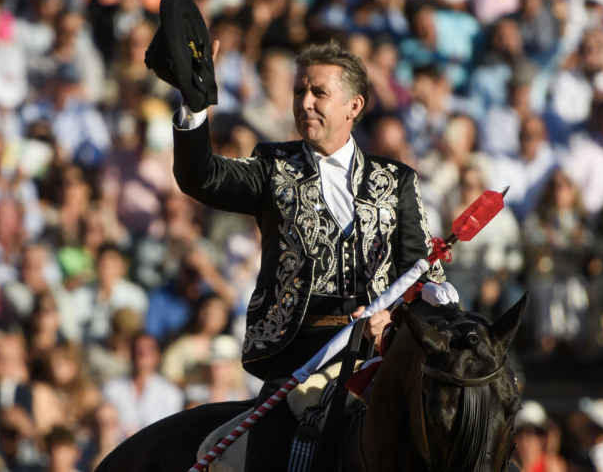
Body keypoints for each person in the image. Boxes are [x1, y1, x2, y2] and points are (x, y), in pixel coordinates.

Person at [158, 23, 446, 469]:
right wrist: (195, 110)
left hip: (380, 351)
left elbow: (422, 270)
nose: (304, 102)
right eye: (299, 91)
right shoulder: (272, 165)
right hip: (298, 353)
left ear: (355, 106)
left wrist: (395, 314)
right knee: (268, 457)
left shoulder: (396, 180)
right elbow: (203, 177)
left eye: (318, 92)